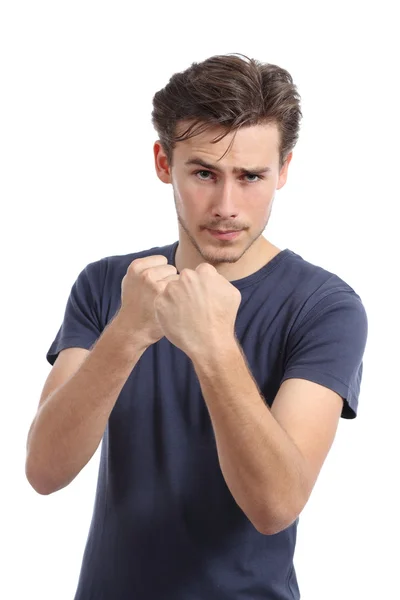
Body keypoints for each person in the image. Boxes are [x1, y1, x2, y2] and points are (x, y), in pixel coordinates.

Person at [25, 53, 368, 599]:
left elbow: (276, 506)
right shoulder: (106, 284)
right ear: (164, 162)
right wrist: (130, 330)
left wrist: (211, 344)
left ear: (283, 170)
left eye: (251, 177)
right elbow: (44, 471)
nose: (227, 206)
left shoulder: (325, 307)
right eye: (205, 173)